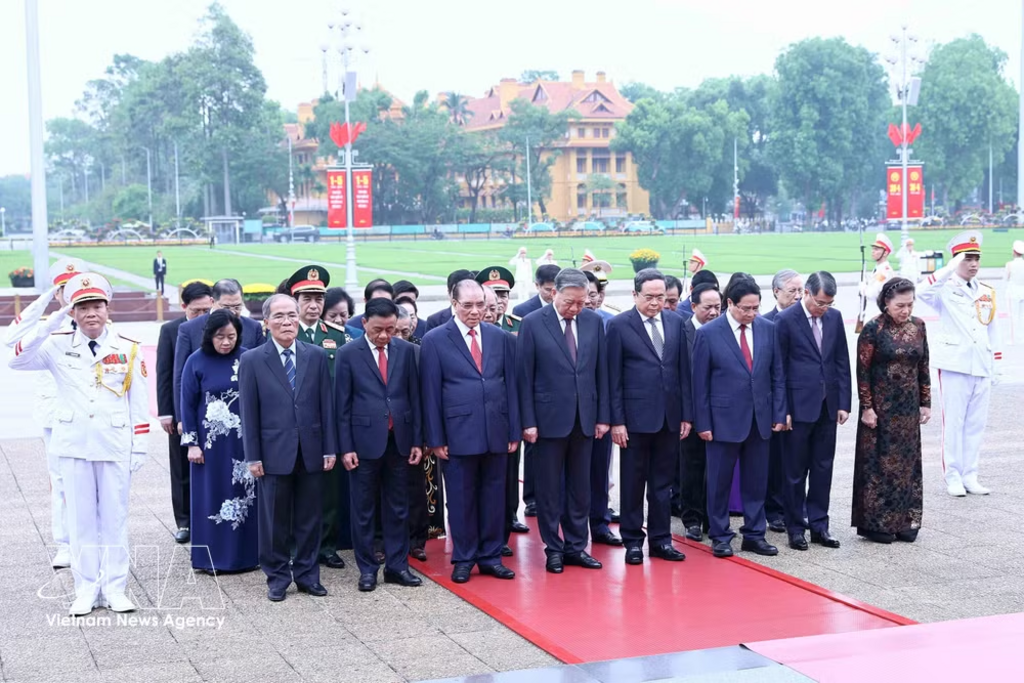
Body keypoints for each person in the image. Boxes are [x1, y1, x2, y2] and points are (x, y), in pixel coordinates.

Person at [10, 273, 149, 615]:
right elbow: (17, 358)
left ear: (107, 308)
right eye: (82, 307)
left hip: (114, 443)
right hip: (74, 444)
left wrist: (140, 445)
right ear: (72, 312)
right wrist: (50, 323)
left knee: (115, 519)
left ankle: (114, 588)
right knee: (80, 520)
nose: (91, 313)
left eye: (96, 306)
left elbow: (138, 401)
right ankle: (85, 589)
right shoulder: (57, 344)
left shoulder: (127, 346)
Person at [421, 280, 520, 584]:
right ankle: (464, 558)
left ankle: (491, 556)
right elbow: (430, 393)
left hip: (496, 430)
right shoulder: (436, 339)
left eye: (481, 305)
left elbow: (511, 386)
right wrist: (435, 438)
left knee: (495, 496)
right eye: (468, 306)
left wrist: (514, 430)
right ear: (454, 304)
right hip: (457, 433)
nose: (476, 311)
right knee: (461, 499)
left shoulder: (500, 337)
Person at [239, 294, 337, 602]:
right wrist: (253, 456)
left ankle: (308, 575)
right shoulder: (253, 359)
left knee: (310, 518)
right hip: (272, 452)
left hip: (311, 449)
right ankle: (278, 577)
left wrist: (329, 448)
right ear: (266, 322)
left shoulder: (316, 355)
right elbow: (248, 412)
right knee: (274, 522)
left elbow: (326, 405)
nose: (287, 322)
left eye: (292, 315)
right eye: (279, 316)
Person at [518, 268, 610, 574]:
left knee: (580, 488)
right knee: (548, 489)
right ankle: (553, 548)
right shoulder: (533, 323)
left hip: (585, 419)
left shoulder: (593, 321)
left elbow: (601, 372)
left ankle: (576, 546)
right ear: (554, 293)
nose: (575, 308)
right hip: (547, 420)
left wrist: (603, 417)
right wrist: (528, 421)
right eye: (570, 302)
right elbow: (524, 376)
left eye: (581, 302)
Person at [692, 277, 786, 559]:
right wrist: (703, 422)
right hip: (722, 420)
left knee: (756, 481)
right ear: (730, 303)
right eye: (746, 308)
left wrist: (779, 412)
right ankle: (720, 535)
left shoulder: (768, 329)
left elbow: (777, 375)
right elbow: (699, 384)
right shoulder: (709, 333)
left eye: (756, 308)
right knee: (719, 482)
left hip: (760, 418)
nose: (752, 313)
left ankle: (754, 534)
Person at [335, 298, 424, 592]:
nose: (384, 336)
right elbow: (342, 405)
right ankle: (367, 569)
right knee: (363, 509)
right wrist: (346, 447)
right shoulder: (348, 354)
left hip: (399, 440)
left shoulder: (407, 351)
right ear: (364, 324)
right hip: (363, 444)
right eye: (377, 330)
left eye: (390, 329)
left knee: (398, 507)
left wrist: (417, 440)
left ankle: (397, 566)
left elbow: (415, 398)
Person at [607, 269, 691, 564]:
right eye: (650, 297)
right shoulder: (619, 325)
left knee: (662, 484)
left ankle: (661, 540)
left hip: (669, 417)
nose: (656, 303)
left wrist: (686, 415)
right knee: (633, 483)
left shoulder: (676, 322)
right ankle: (632, 540)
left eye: (661, 297)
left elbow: (683, 372)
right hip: (634, 420)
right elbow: (613, 379)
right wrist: (617, 421)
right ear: (635, 295)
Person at [4, 257, 83, 569]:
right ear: (57, 292)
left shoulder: (96, 320)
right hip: (55, 413)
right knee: (60, 480)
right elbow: (11, 339)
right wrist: (46, 301)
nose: (71, 294)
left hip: (91, 413)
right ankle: (64, 543)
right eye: (64, 289)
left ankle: (89, 539)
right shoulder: (48, 326)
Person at [917, 231, 1002, 496]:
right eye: (967, 259)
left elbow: (992, 329)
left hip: (981, 365)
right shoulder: (944, 288)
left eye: (976, 258)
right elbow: (921, 291)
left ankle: (970, 474)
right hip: (954, 365)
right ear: (956, 260)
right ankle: (953, 475)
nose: (974, 264)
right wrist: (949, 268)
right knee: (954, 424)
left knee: (976, 424)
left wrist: (997, 363)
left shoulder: (986, 292)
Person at [775, 271, 851, 551]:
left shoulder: (834, 318)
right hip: (798, 407)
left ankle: (820, 525)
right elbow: (779, 368)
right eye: (820, 302)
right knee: (794, 472)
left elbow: (841, 360)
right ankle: (796, 528)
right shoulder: (785, 320)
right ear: (806, 293)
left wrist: (843, 402)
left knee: (823, 468)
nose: (823, 308)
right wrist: (782, 409)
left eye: (829, 303)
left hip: (827, 406)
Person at [284, 266, 352, 570]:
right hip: (292, 426)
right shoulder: (282, 333)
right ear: (295, 300)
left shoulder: (337, 336)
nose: (313, 305)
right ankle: (294, 547)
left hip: (328, 426)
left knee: (329, 490)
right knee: (293, 488)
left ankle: (326, 546)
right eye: (307, 299)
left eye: (318, 299)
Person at [179, 310, 258, 573]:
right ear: (209, 336)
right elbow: (187, 404)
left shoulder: (248, 358)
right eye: (220, 336)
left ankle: (247, 557)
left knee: (245, 496)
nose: (226, 342)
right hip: (210, 446)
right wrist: (192, 443)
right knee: (211, 496)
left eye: (231, 336)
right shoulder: (195, 361)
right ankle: (210, 559)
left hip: (243, 442)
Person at [853, 278, 930, 543]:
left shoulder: (919, 326)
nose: (905, 311)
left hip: (908, 408)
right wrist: (867, 407)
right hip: (881, 410)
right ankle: (877, 522)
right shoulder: (873, 328)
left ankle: (906, 520)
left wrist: (925, 402)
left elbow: (923, 366)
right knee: (880, 465)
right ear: (886, 302)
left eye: (910, 305)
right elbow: (862, 371)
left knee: (907, 465)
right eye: (900, 306)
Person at [156, 281, 214, 544]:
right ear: (183, 307)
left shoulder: (221, 328)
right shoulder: (171, 330)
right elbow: (166, 373)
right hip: (181, 412)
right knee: (181, 467)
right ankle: (184, 521)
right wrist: (168, 413)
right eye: (195, 311)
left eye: (205, 310)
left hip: (213, 410)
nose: (201, 316)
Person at [173, 279, 265, 424]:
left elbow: (262, 371)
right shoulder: (190, 329)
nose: (233, 312)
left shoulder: (253, 328)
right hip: (206, 411)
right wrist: (181, 419)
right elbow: (180, 377)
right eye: (226, 307)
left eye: (237, 307)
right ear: (212, 302)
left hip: (243, 410)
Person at [679, 284, 721, 541]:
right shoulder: (681, 332)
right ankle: (692, 519)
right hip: (691, 411)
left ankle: (713, 518)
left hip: (720, 410)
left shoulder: (723, 330)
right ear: (693, 306)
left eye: (718, 307)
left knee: (717, 468)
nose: (714, 312)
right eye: (708, 307)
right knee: (692, 467)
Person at [762, 269, 801, 532]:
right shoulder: (767, 322)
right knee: (775, 460)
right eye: (792, 291)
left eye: (801, 291)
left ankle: (797, 507)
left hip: (802, 401)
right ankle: (774, 510)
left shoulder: (805, 320)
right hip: (775, 402)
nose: (797, 296)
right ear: (776, 292)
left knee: (799, 460)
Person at [476, 266, 521, 335]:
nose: (499, 301)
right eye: (495, 297)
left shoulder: (519, 325)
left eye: (503, 296)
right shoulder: (474, 325)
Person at [861, 233, 895, 319]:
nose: (873, 251)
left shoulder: (885, 272)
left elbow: (873, 294)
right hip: (872, 311)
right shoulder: (878, 268)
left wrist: (863, 288)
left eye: (876, 249)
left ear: (885, 253)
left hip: (878, 313)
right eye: (873, 249)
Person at [1005, 240, 1024, 344]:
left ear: (1014, 251)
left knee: (1013, 316)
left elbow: (1006, 278)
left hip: (1013, 292)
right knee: (1022, 316)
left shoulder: (1009, 264)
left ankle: (1013, 339)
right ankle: (1021, 338)